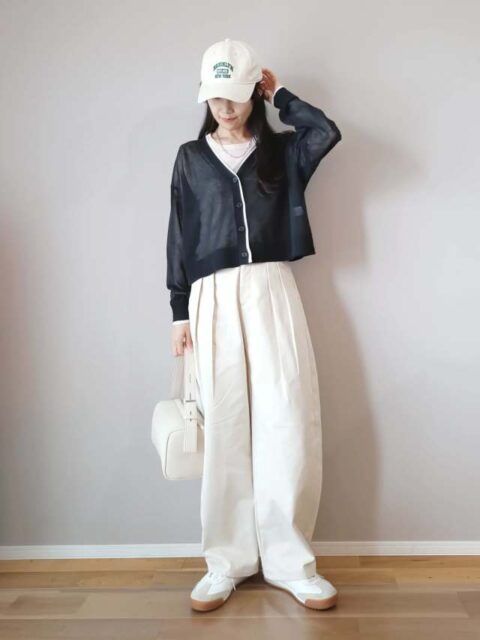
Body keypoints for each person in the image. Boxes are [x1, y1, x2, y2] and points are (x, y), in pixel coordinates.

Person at [166, 38, 342, 612]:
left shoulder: (282, 151)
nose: (224, 107)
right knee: (225, 426)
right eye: (214, 96)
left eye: (235, 95)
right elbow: (179, 234)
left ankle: (292, 563)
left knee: (286, 419)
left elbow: (325, 132)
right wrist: (178, 311)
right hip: (211, 296)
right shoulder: (191, 159)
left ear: (251, 93)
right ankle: (226, 562)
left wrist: (279, 93)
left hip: (271, 289)